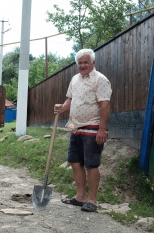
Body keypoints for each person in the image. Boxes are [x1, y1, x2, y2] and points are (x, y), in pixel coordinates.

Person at [54, 48, 112, 212]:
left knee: (91, 164)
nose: (82, 65)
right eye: (80, 63)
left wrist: (102, 129)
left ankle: (92, 200)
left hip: (93, 128)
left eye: (85, 62)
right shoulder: (75, 79)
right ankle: (80, 197)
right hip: (75, 127)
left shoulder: (100, 80)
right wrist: (62, 107)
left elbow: (105, 105)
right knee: (74, 161)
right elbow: (71, 99)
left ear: (93, 63)